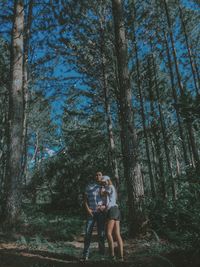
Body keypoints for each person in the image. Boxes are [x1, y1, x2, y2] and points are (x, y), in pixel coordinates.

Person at [81, 171, 107, 261]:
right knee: (88, 234)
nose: (98, 176)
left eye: (99, 174)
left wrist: (104, 206)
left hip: (100, 213)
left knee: (101, 234)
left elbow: (109, 198)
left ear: (102, 176)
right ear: (94, 176)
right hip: (91, 213)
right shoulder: (89, 186)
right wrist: (88, 209)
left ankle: (102, 255)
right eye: (96, 174)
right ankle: (85, 255)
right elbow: (84, 200)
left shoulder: (104, 186)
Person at [101, 175, 124, 261]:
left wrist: (101, 187)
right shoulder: (111, 188)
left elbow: (102, 193)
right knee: (117, 234)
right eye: (103, 182)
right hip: (116, 210)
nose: (103, 183)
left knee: (108, 233)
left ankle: (112, 255)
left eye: (104, 182)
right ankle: (121, 257)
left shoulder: (110, 187)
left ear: (108, 181)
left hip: (112, 210)